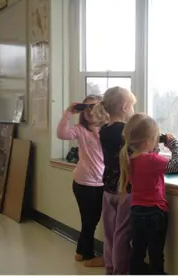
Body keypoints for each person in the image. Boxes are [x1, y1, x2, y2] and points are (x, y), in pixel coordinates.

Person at [119, 113, 178, 275]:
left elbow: (147, 162)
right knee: (155, 254)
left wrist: (153, 147)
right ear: (148, 141)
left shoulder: (129, 159)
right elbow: (176, 165)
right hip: (155, 212)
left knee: (137, 252)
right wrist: (173, 144)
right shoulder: (153, 160)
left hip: (136, 213)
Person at [56, 94, 107, 267]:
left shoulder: (107, 130)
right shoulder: (80, 130)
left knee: (91, 220)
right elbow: (62, 134)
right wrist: (68, 113)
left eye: (95, 108)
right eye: (87, 109)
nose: (91, 112)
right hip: (84, 182)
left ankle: (80, 251)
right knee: (90, 220)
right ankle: (87, 255)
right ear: (82, 112)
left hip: (101, 182)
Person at [91, 87, 137, 274]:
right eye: (133, 106)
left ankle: (110, 269)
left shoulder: (104, 130)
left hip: (108, 188)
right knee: (122, 235)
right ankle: (120, 272)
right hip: (125, 189)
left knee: (110, 233)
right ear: (125, 107)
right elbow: (135, 154)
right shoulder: (126, 131)